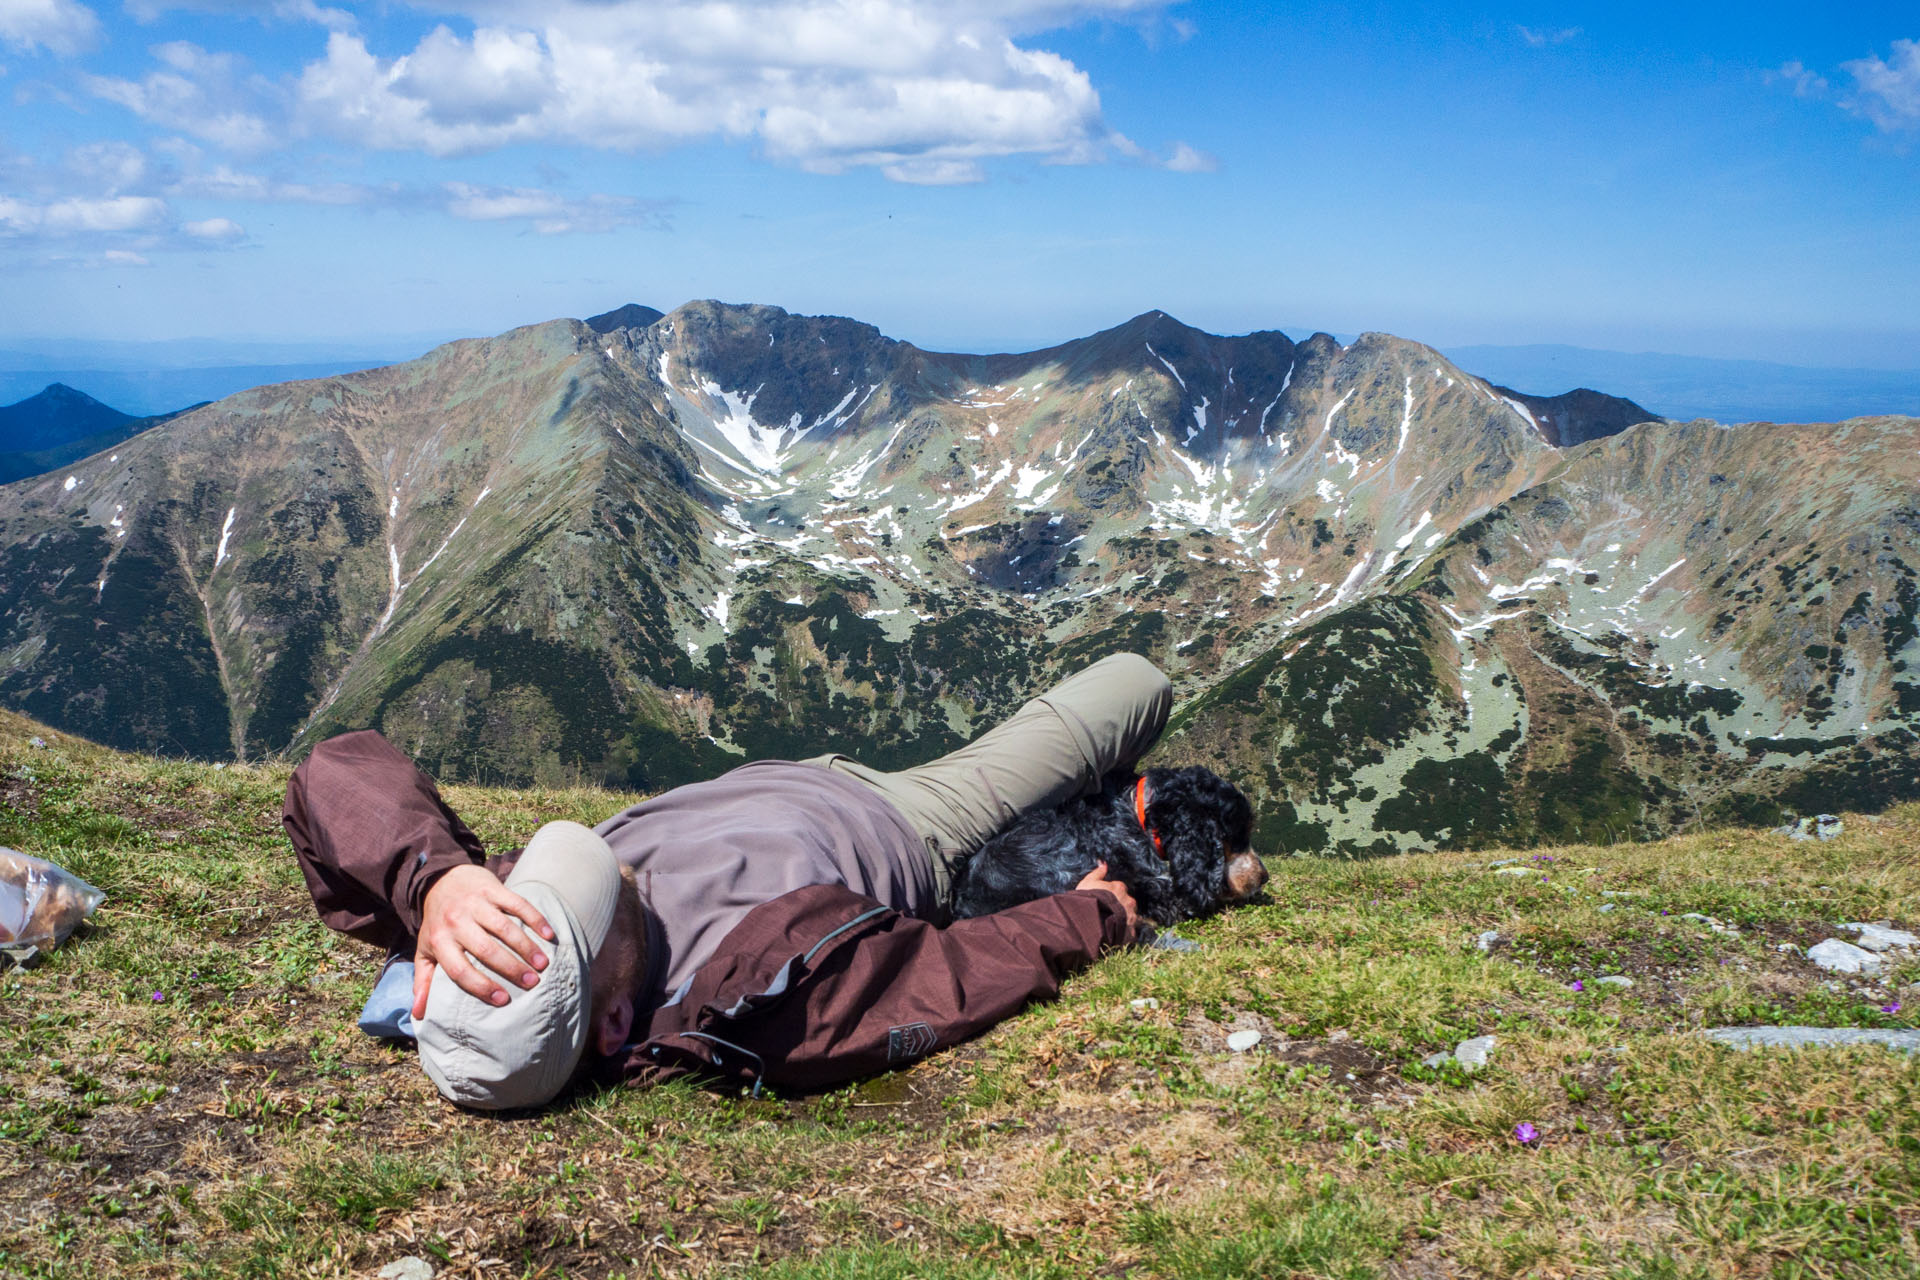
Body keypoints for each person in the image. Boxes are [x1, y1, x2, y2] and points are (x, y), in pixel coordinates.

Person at [283, 653, 1171, 1109]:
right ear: (618, 1022)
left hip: (769, 777)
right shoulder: (757, 1005)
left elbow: (334, 770)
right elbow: (952, 978)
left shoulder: (486, 927)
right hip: (916, 816)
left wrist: (438, 885)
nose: (566, 882)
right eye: (581, 914)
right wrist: (1091, 914)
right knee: (1137, 685)